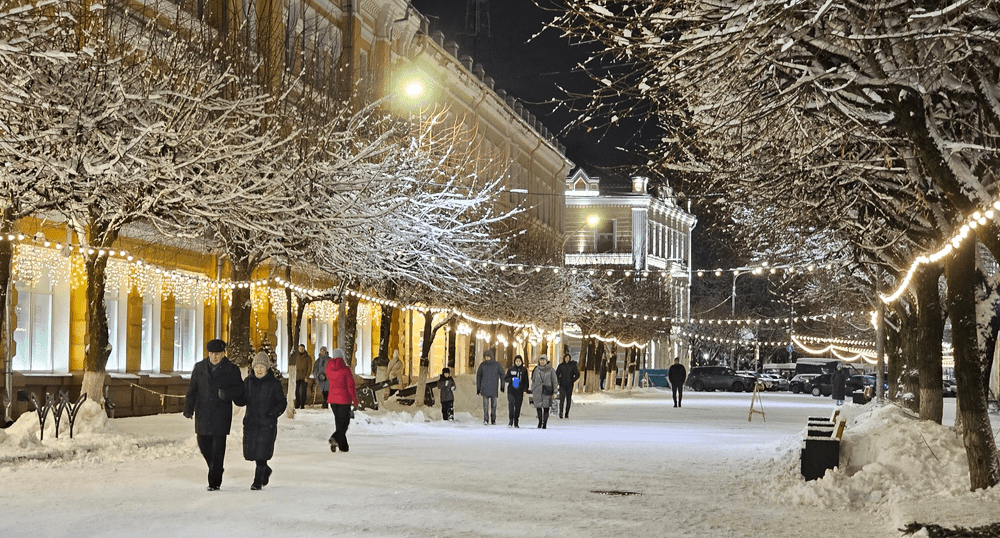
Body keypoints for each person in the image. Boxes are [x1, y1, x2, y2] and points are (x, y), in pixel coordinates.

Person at [183, 338, 246, 491]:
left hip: (221, 414)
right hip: (203, 412)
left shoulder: (232, 370)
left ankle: (214, 482)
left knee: (218, 448)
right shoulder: (199, 368)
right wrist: (188, 408)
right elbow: (193, 389)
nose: (214, 357)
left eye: (217, 354)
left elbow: (240, 391)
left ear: (224, 354)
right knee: (203, 442)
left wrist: (227, 394)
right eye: (211, 353)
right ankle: (215, 467)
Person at [243, 351, 287, 490]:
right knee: (252, 452)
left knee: (262, 453)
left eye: (262, 366)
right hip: (251, 422)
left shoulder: (274, 384)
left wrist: (273, 414)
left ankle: (257, 481)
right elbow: (241, 399)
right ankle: (266, 470)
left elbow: (281, 403)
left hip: (267, 423)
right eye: (257, 367)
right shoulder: (248, 382)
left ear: (267, 368)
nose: (259, 369)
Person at [326, 348, 358, 452]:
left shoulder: (329, 369)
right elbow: (351, 386)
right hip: (344, 400)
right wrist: (355, 400)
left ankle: (344, 447)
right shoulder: (346, 370)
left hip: (332, 400)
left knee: (339, 423)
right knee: (344, 423)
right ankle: (335, 438)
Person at [476, 349, 505, 425]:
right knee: (485, 406)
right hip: (485, 388)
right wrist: (478, 388)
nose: (487, 358)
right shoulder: (482, 365)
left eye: (488, 357)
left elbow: (502, 374)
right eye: (485, 357)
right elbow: (478, 376)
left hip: (494, 388)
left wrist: (502, 385)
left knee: (494, 406)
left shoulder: (497, 365)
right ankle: (486, 419)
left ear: (491, 357)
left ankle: (493, 419)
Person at [531, 355, 558, 429]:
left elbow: (554, 381)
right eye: (541, 360)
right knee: (538, 407)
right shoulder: (536, 370)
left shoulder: (551, 370)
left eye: (544, 360)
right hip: (538, 391)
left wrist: (555, 392)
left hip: (547, 391)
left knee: (546, 407)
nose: (542, 361)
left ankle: (545, 423)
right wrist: (533, 389)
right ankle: (540, 422)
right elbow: (533, 380)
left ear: (546, 361)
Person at [504, 355, 529, 428]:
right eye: (516, 361)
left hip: (519, 391)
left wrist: (525, 390)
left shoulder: (524, 370)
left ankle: (516, 421)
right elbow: (505, 378)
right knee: (511, 405)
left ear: (521, 362)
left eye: (519, 361)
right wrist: (511, 379)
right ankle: (510, 420)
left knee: (518, 406)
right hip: (511, 390)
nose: (518, 363)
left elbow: (526, 381)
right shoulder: (511, 369)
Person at [556, 352, 581, 419]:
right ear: (564, 358)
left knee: (568, 399)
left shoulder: (572, 366)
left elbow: (577, 374)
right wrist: (559, 381)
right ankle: (560, 412)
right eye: (566, 358)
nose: (567, 359)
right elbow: (557, 374)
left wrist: (573, 380)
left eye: (568, 358)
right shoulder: (561, 366)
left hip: (569, 385)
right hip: (562, 385)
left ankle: (567, 413)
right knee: (562, 399)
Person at [294, 344, 313, 409]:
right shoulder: (296, 357)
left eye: (302, 349)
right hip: (297, 376)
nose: (301, 350)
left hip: (304, 376)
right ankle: (297, 403)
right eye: (300, 348)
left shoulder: (308, 357)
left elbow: (309, 367)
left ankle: (302, 404)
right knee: (296, 390)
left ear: (304, 349)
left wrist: (307, 376)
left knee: (303, 391)